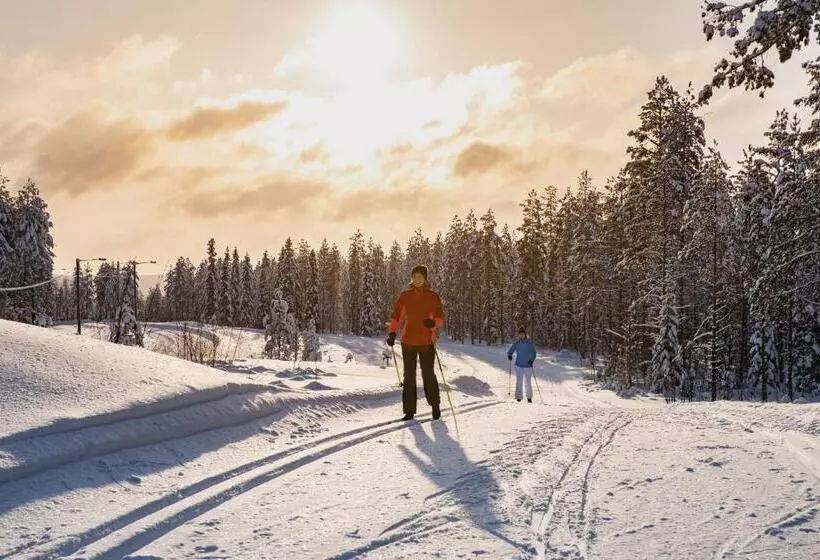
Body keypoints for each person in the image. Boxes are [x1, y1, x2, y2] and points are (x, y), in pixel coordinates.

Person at [386, 265, 444, 420]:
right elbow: (397, 316)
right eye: (415, 276)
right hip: (408, 341)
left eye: (420, 276)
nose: (417, 279)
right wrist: (392, 332)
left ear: (425, 278)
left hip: (426, 341)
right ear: (411, 278)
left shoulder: (433, 296)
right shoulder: (405, 295)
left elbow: (440, 316)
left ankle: (435, 404)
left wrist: (434, 323)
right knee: (409, 376)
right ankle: (409, 411)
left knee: (428, 374)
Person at [507, 327, 537, 402]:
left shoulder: (529, 344)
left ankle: (529, 397)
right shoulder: (517, 343)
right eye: (520, 334)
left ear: (525, 335)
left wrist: (531, 360)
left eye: (523, 334)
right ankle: (518, 397)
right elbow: (510, 350)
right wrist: (509, 355)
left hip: (528, 366)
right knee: (519, 381)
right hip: (518, 365)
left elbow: (533, 353)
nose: (521, 336)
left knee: (528, 382)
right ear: (519, 335)